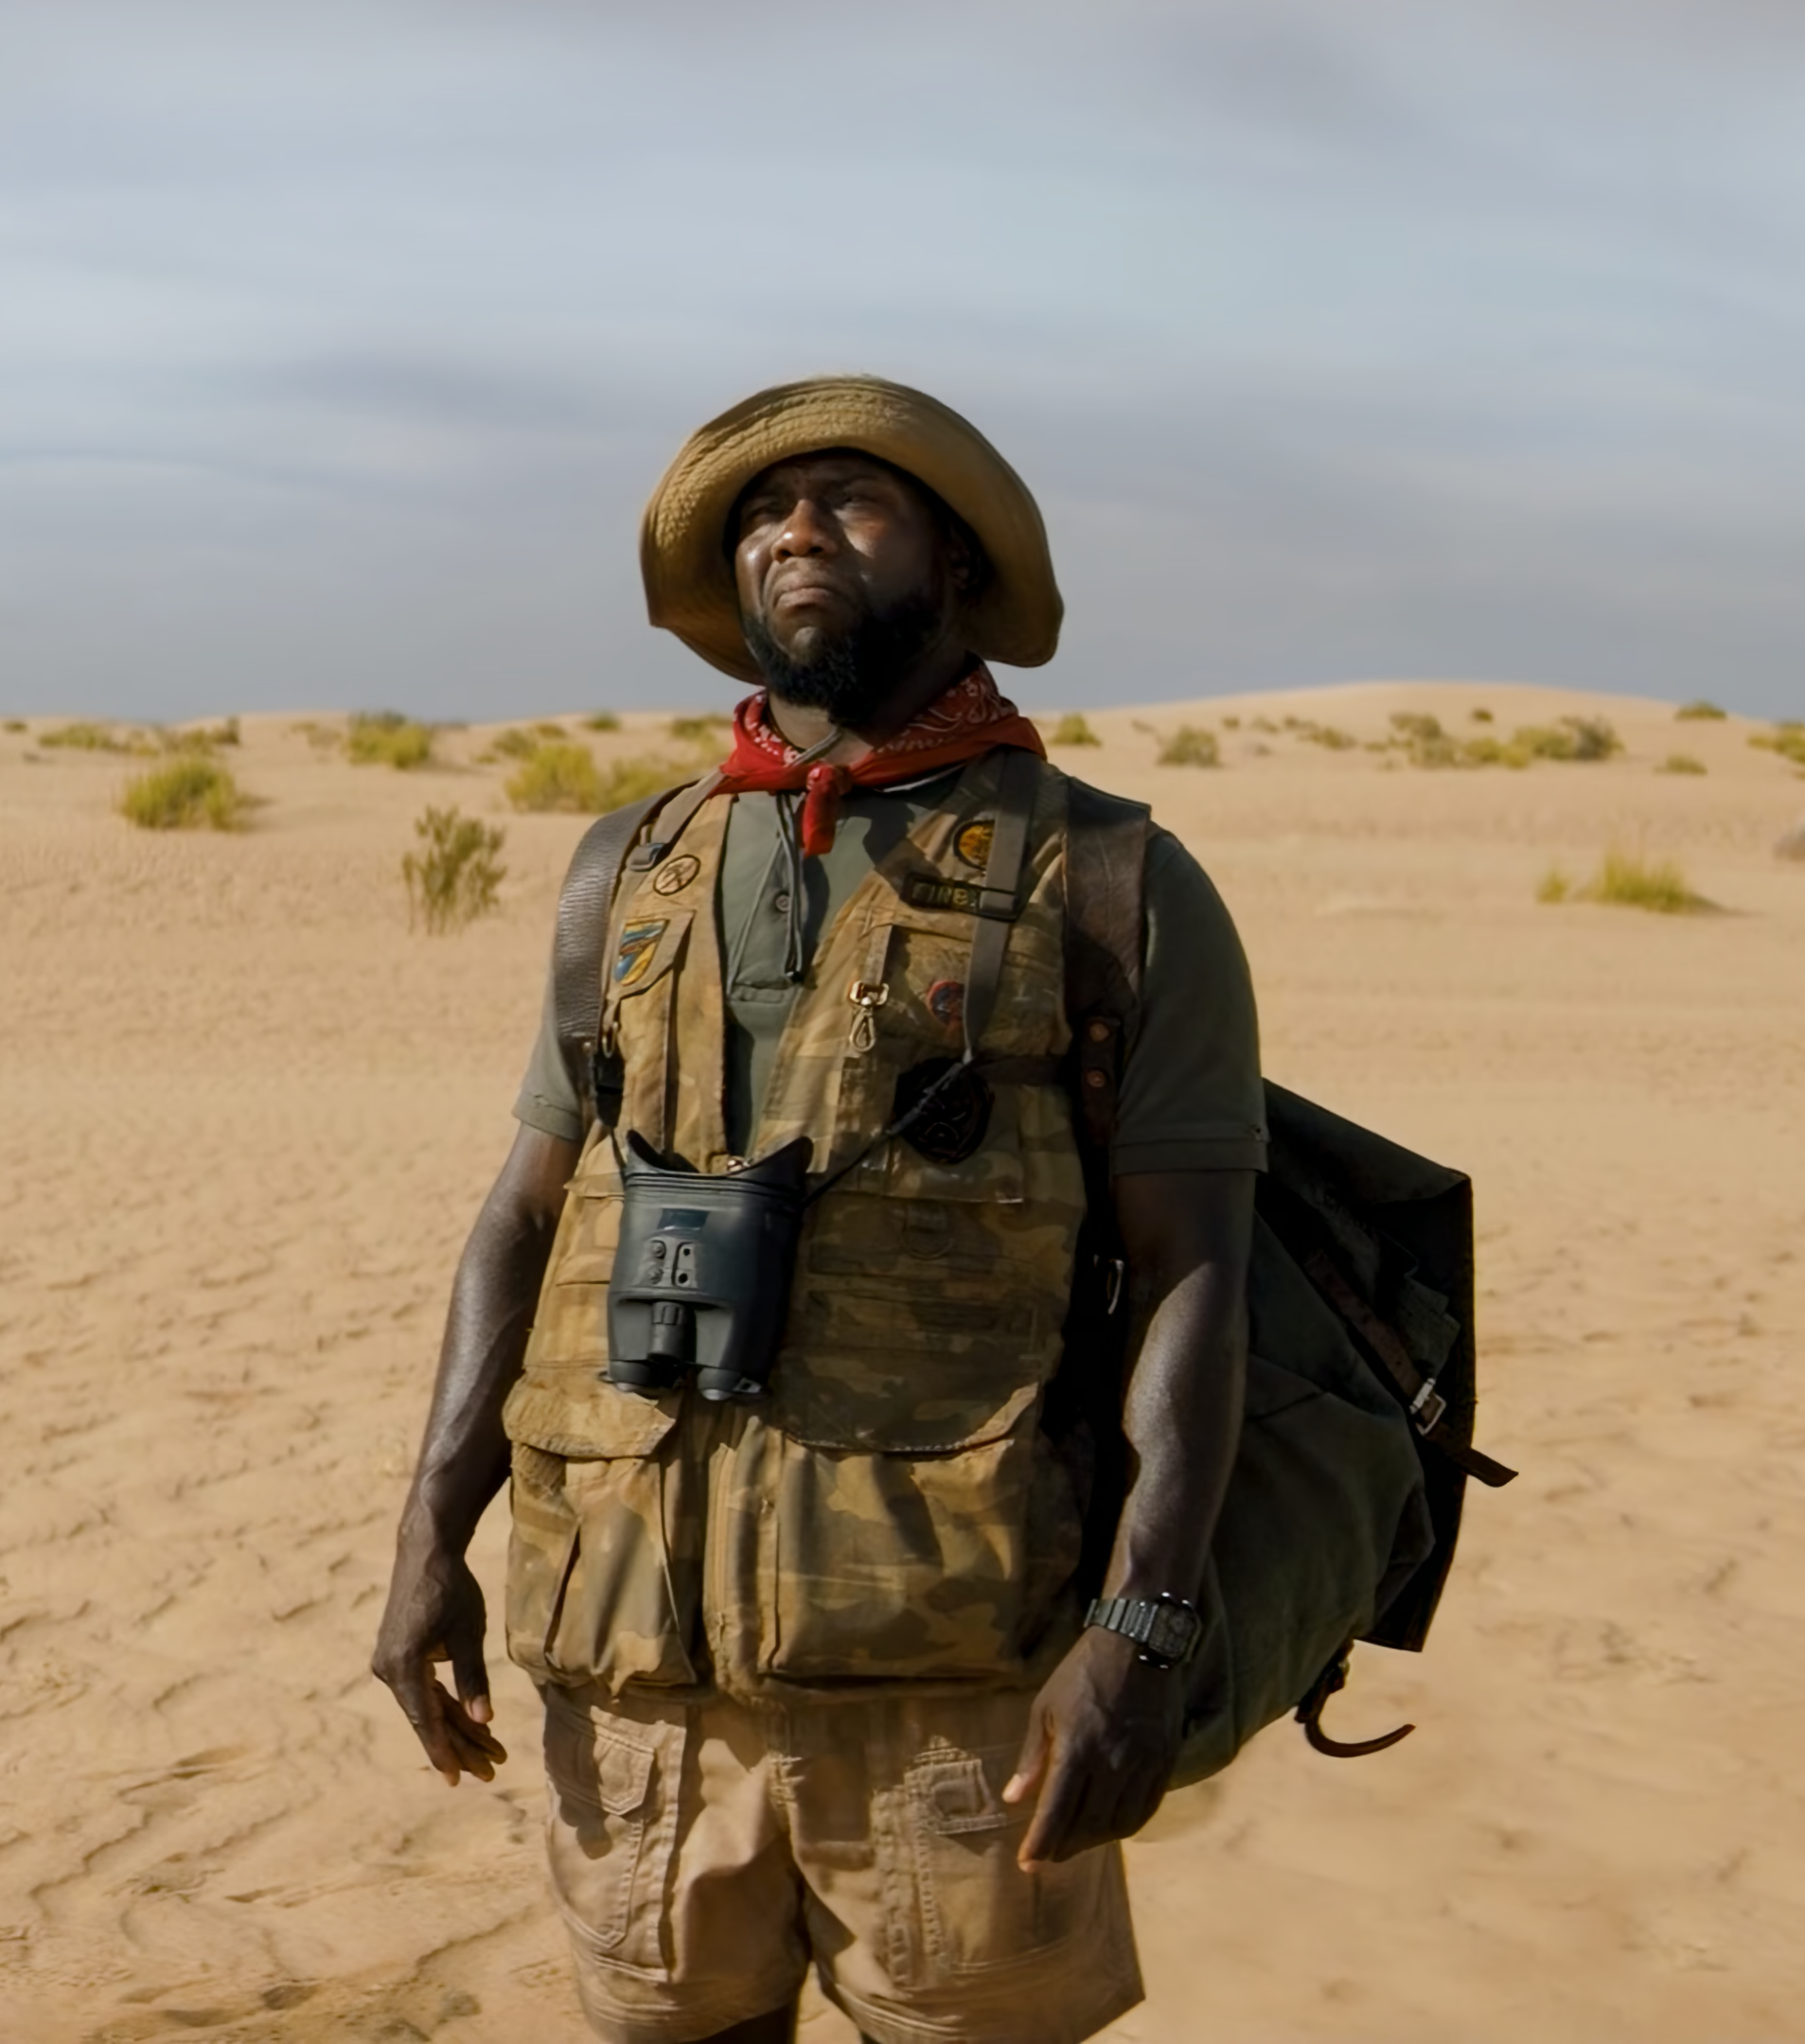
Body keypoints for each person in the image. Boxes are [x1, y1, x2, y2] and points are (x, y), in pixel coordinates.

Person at [369, 376, 1265, 2044]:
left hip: (956, 1702)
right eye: (764, 515)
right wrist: (430, 1537)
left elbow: (1195, 1273)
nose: (795, 532)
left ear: (959, 564)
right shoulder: (627, 874)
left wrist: (1142, 1633)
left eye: (854, 500)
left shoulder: (1111, 883)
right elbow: (526, 1220)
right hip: (639, 1686)